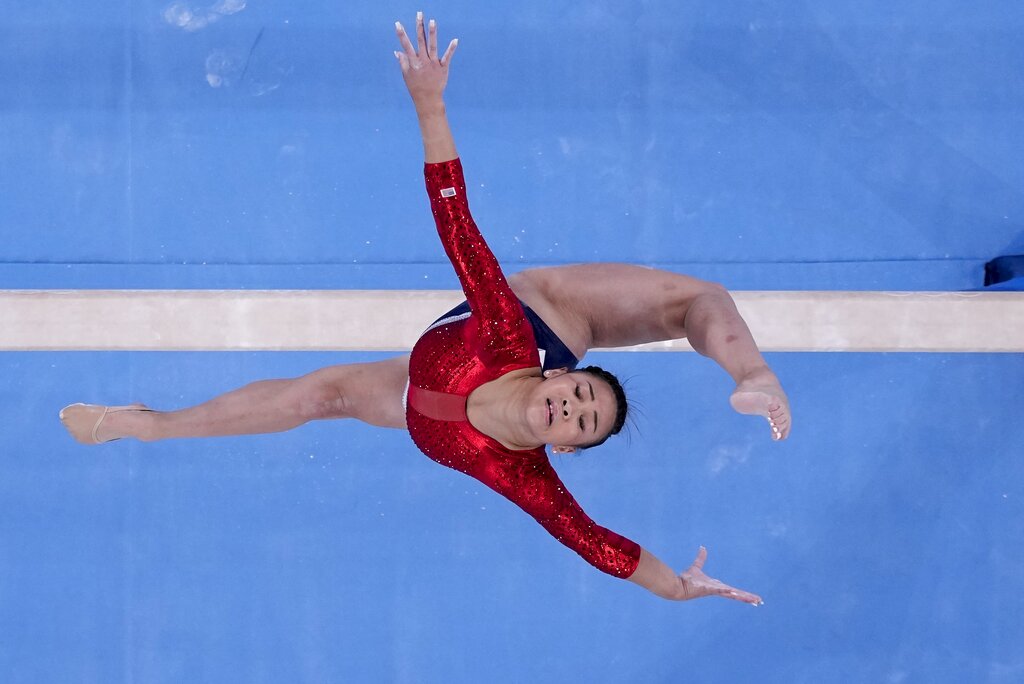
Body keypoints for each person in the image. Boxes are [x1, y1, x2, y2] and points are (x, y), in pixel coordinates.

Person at [61, 13, 791, 604]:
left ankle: (149, 428)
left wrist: (677, 588)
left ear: (562, 448)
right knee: (695, 299)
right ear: (555, 376)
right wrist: (430, 103)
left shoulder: (526, 477)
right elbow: (456, 224)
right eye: (577, 393)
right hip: (550, 314)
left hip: (425, 397)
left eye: (583, 422)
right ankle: (754, 373)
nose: (572, 408)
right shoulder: (513, 333)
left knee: (325, 396)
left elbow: (597, 543)